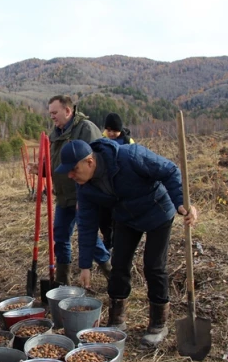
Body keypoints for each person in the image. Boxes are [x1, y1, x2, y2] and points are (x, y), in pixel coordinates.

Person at [55, 139, 198, 347]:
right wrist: (85, 265)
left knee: (153, 266)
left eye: (74, 169)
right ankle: (116, 320)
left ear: (89, 162)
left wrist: (181, 203)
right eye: (68, 171)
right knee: (119, 265)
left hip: (158, 212)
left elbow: (169, 170)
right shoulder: (84, 188)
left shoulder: (130, 156)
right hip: (126, 218)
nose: (71, 175)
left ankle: (158, 323)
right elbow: (86, 225)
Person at [31, 95, 111, 286]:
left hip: (83, 194)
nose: (52, 117)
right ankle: (62, 284)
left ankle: (113, 275)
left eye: (55, 112)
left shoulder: (86, 129)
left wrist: (87, 194)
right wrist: (41, 169)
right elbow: (57, 164)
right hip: (63, 195)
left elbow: (94, 165)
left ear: (68, 111)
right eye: (50, 113)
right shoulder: (55, 133)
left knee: (88, 237)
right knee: (60, 236)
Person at [99, 113, 135, 250]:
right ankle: (107, 238)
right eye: (109, 130)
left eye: (114, 130)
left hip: (121, 184)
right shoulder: (101, 139)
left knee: (118, 216)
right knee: (103, 217)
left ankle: (117, 241)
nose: (112, 133)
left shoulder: (127, 141)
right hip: (105, 184)